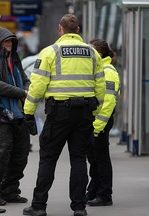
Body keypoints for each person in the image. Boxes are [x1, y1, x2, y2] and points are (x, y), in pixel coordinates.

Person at [22, 14, 105, 216]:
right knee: (78, 159)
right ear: (77, 31)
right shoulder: (93, 53)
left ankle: (39, 206)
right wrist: (95, 110)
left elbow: (37, 85)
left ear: (60, 29)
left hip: (59, 113)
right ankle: (79, 208)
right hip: (84, 113)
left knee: (48, 159)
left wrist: (28, 112)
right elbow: (100, 86)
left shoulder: (50, 52)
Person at [0, 27, 32, 206]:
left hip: (18, 116)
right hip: (0, 117)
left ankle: (10, 190)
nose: (9, 44)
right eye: (5, 41)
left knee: (20, 155)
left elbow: (25, 79)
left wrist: (27, 88)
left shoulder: (15, 62)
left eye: (11, 41)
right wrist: (21, 92)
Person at [86, 39, 120, 206]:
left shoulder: (108, 71)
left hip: (101, 122)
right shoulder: (98, 69)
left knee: (101, 159)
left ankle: (105, 195)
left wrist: (98, 125)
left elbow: (109, 102)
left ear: (99, 53)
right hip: (95, 121)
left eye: (91, 50)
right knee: (94, 159)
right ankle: (93, 191)